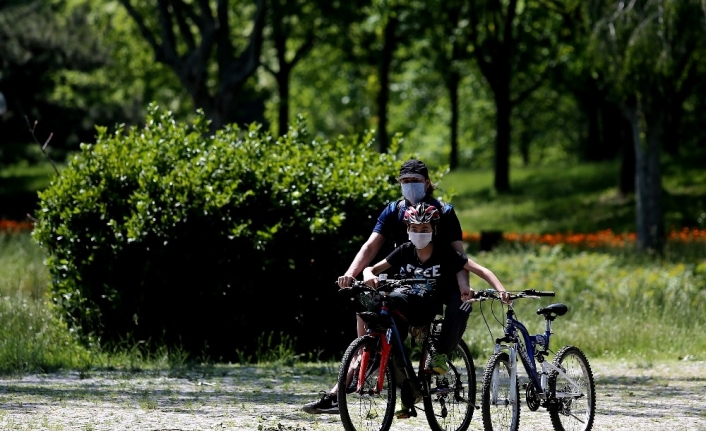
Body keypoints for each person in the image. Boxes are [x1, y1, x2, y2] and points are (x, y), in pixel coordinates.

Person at [302, 159, 469, 415]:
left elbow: (459, 257)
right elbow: (370, 246)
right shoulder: (394, 210)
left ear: (427, 182)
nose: (409, 186)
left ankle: (440, 352)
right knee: (373, 324)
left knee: (457, 306)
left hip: (438, 282)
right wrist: (351, 274)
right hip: (403, 285)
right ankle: (343, 390)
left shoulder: (444, 212)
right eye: (404, 182)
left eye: (415, 180)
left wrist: (463, 287)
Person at [361, 202, 509, 418]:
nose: (419, 233)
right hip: (406, 303)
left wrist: (501, 290)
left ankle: (441, 354)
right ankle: (406, 390)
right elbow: (373, 268)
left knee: (463, 303)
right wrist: (368, 274)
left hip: (429, 305)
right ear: (407, 230)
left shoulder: (444, 253)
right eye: (414, 229)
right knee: (384, 318)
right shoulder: (404, 250)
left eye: (424, 229)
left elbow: (480, 270)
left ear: (434, 230)